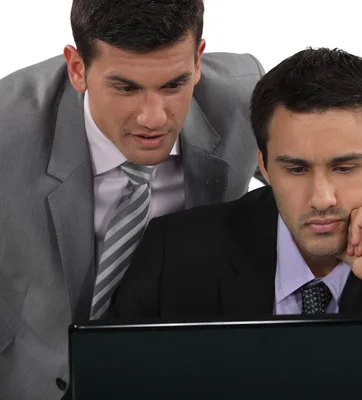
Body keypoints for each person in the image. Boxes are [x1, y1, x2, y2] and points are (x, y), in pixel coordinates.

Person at [113, 48, 362, 399]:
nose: (322, 198)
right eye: (296, 169)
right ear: (264, 166)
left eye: (344, 167)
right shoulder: (177, 252)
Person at [0, 0, 264, 398]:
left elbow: (329, 180)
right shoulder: (7, 127)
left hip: (191, 374)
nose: (153, 118)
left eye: (174, 84)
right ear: (77, 69)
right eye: (125, 87)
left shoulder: (246, 99)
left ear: (198, 60)